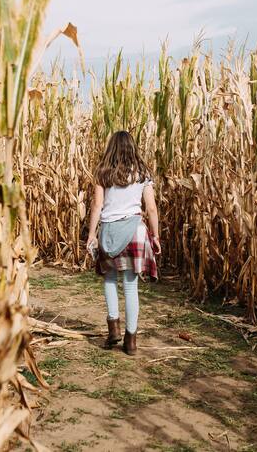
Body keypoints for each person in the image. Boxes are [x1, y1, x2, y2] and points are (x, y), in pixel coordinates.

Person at [85, 131, 161, 356]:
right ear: (132, 147)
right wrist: (155, 236)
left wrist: (91, 234)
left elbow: (97, 206)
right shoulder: (143, 173)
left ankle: (113, 330)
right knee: (130, 286)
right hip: (135, 231)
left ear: (111, 148)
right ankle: (131, 342)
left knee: (109, 279)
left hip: (109, 230)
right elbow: (152, 208)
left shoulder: (103, 173)